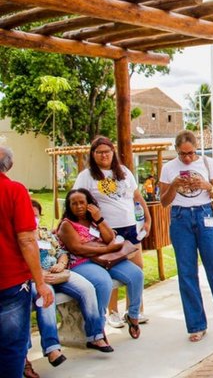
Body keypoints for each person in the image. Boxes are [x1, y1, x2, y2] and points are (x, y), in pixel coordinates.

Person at [159, 131, 213, 342]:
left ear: (196, 148)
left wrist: (206, 186)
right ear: (176, 150)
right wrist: (174, 184)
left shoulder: (207, 163)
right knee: (187, 273)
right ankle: (196, 325)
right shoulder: (169, 168)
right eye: (183, 154)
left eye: (191, 153)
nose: (188, 158)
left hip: (204, 214)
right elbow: (164, 201)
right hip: (180, 217)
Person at [73, 136, 151, 328]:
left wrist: (148, 220)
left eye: (107, 151)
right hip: (106, 230)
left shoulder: (123, 172)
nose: (104, 155)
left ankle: (135, 310)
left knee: (137, 268)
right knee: (111, 268)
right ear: (93, 155)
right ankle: (113, 311)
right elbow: (76, 199)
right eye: (99, 152)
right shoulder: (87, 175)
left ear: (113, 152)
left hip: (130, 227)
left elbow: (137, 196)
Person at [27, 200, 114, 371]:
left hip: (59, 273)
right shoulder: (20, 238)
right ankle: (52, 348)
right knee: (46, 298)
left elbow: (61, 251)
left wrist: (61, 263)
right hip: (38, 278)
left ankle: (95, 335)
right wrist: (38, 275)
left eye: (35, 215)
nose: (33, 219)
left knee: (87, 288)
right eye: (29, 215)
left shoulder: (44, 233)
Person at [57, 188, 144, 339]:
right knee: (104, 282)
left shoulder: (93, 220)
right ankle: (99, 325)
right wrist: (106, 248)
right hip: (83, 262)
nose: (79, 206)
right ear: (69, 206)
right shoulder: (67, 225)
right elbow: (78, 249)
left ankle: (133, 315)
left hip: (106, 258)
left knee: (136, 274)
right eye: (74, 203)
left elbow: (110, 237)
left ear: (89, 203)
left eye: (82, 202)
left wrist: (99, 218)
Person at [0, 146, 54, 377]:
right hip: (10, 281)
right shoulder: (13, 190)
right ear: (9, 165)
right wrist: (40, 282)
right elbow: (27, 240)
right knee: (12, 347)